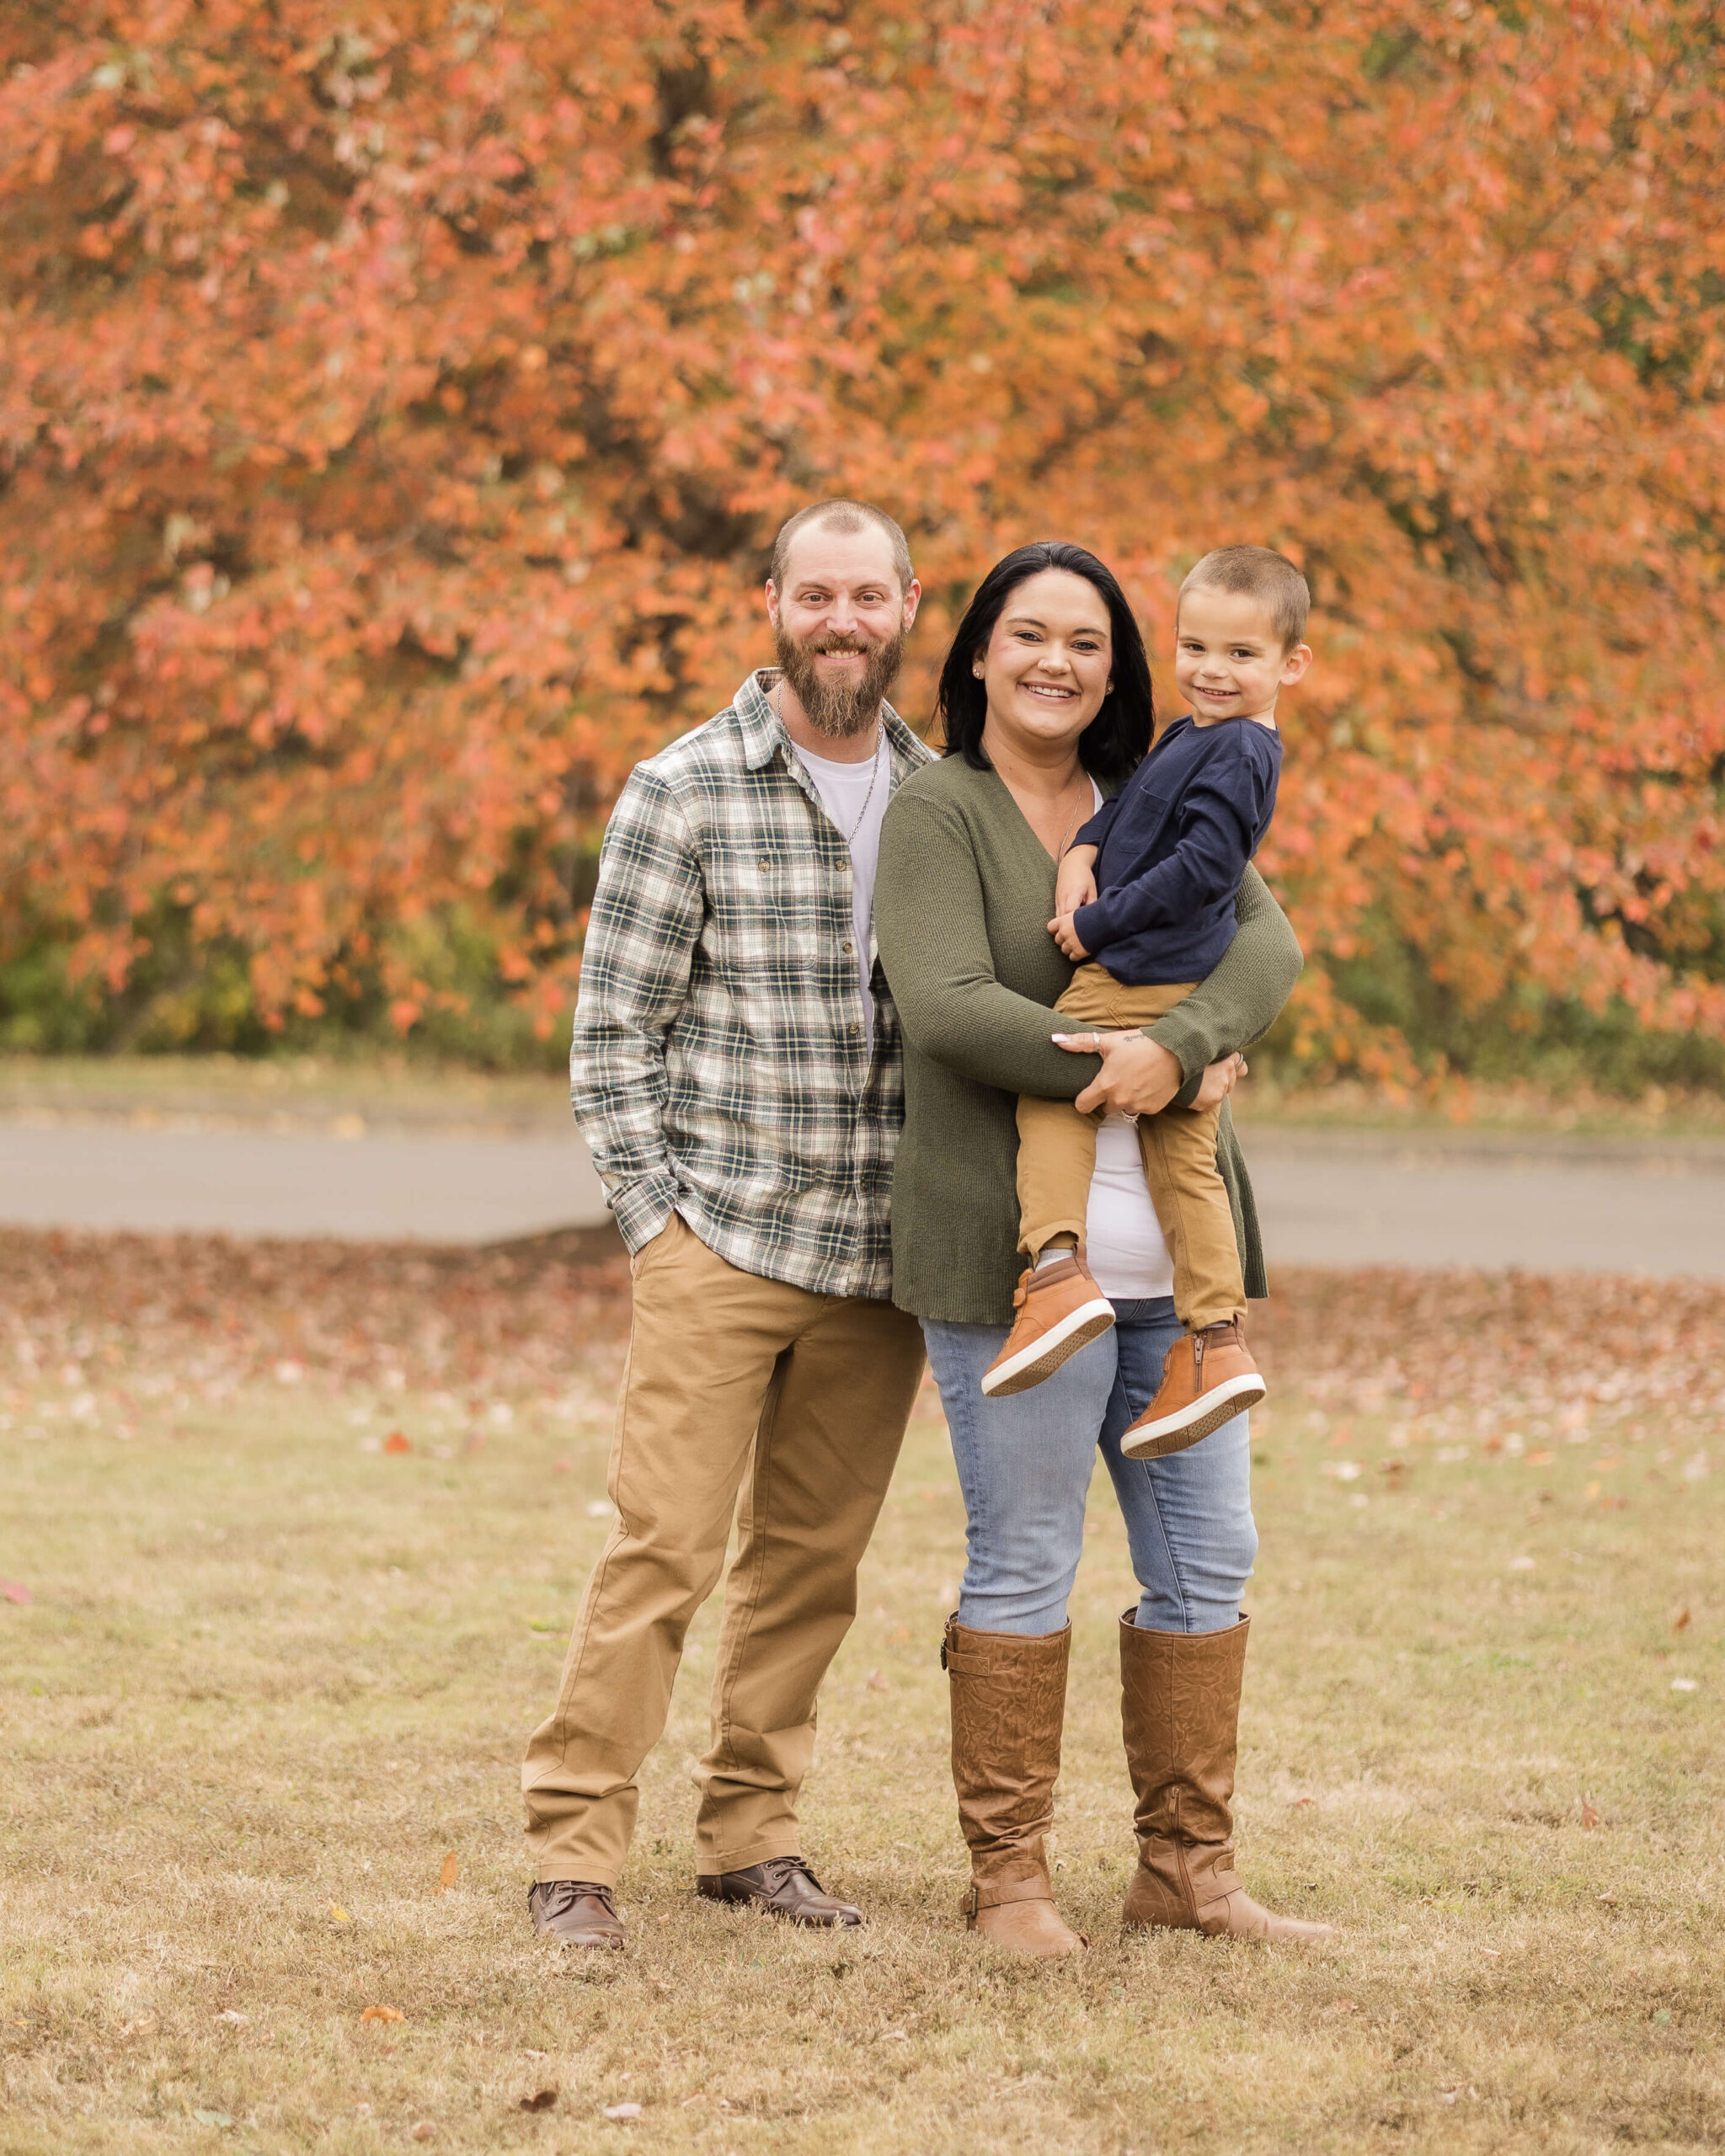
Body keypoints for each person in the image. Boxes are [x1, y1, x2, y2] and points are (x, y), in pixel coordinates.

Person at [875, 540, 1334, 1958]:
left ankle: (1184, 1873)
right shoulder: (936, 811)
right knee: (1020, 1559)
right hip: (1018, 1270)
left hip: (1172, 1282)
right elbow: (947, 1004)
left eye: (1084, 639)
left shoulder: (1167, 784)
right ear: (977, 656)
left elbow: (1268, 956)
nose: (1055, 661)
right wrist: (1125, 1057)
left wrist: (1182, 1048)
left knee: (1208, 1563)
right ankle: (1006, 1881)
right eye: (1026, 634)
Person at [520, 499, 931, 1950]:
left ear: (904, 607)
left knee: (811, 1570)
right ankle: (572, 1850)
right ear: (770, 601)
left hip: (877, 1268)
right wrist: (654, 1225)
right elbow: (609, 1034)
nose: (839, 619)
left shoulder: (943, 800)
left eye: (864, 596)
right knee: (662, 1555)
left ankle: (751, 1838)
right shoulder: (680, 788)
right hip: (719, 1244)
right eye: (813, 593)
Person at [984, 546, 1313, 1459]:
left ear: (1290, 663)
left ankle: (1053, 1267)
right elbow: (1132, 815)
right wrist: (1086, 847)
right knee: (1184, 1154)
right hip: (1158, 971)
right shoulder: (1191, 733)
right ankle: (1212, 1336)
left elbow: (1207, 868)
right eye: (1195, 646)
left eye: (1240, 655)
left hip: (1138, 971)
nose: (1212, 670)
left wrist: (1098, 925)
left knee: (1052, 1089)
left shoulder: (1244, 747)